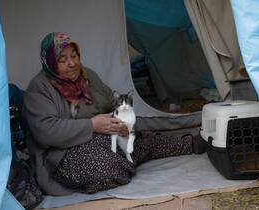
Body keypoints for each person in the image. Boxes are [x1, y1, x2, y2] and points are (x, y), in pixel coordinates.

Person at [23, 32, 204, 196]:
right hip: (63, 154)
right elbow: (46, 132)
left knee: (143, 140)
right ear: (50, 62)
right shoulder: (39, 89)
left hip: (105, 138)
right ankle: (123, 162)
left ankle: (193, 143)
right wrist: (93, 125)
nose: (72, 63)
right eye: (63, 60)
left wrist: (121, 123)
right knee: (105, 167)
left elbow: (112, 100)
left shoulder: (87, 76)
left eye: (74, 56)